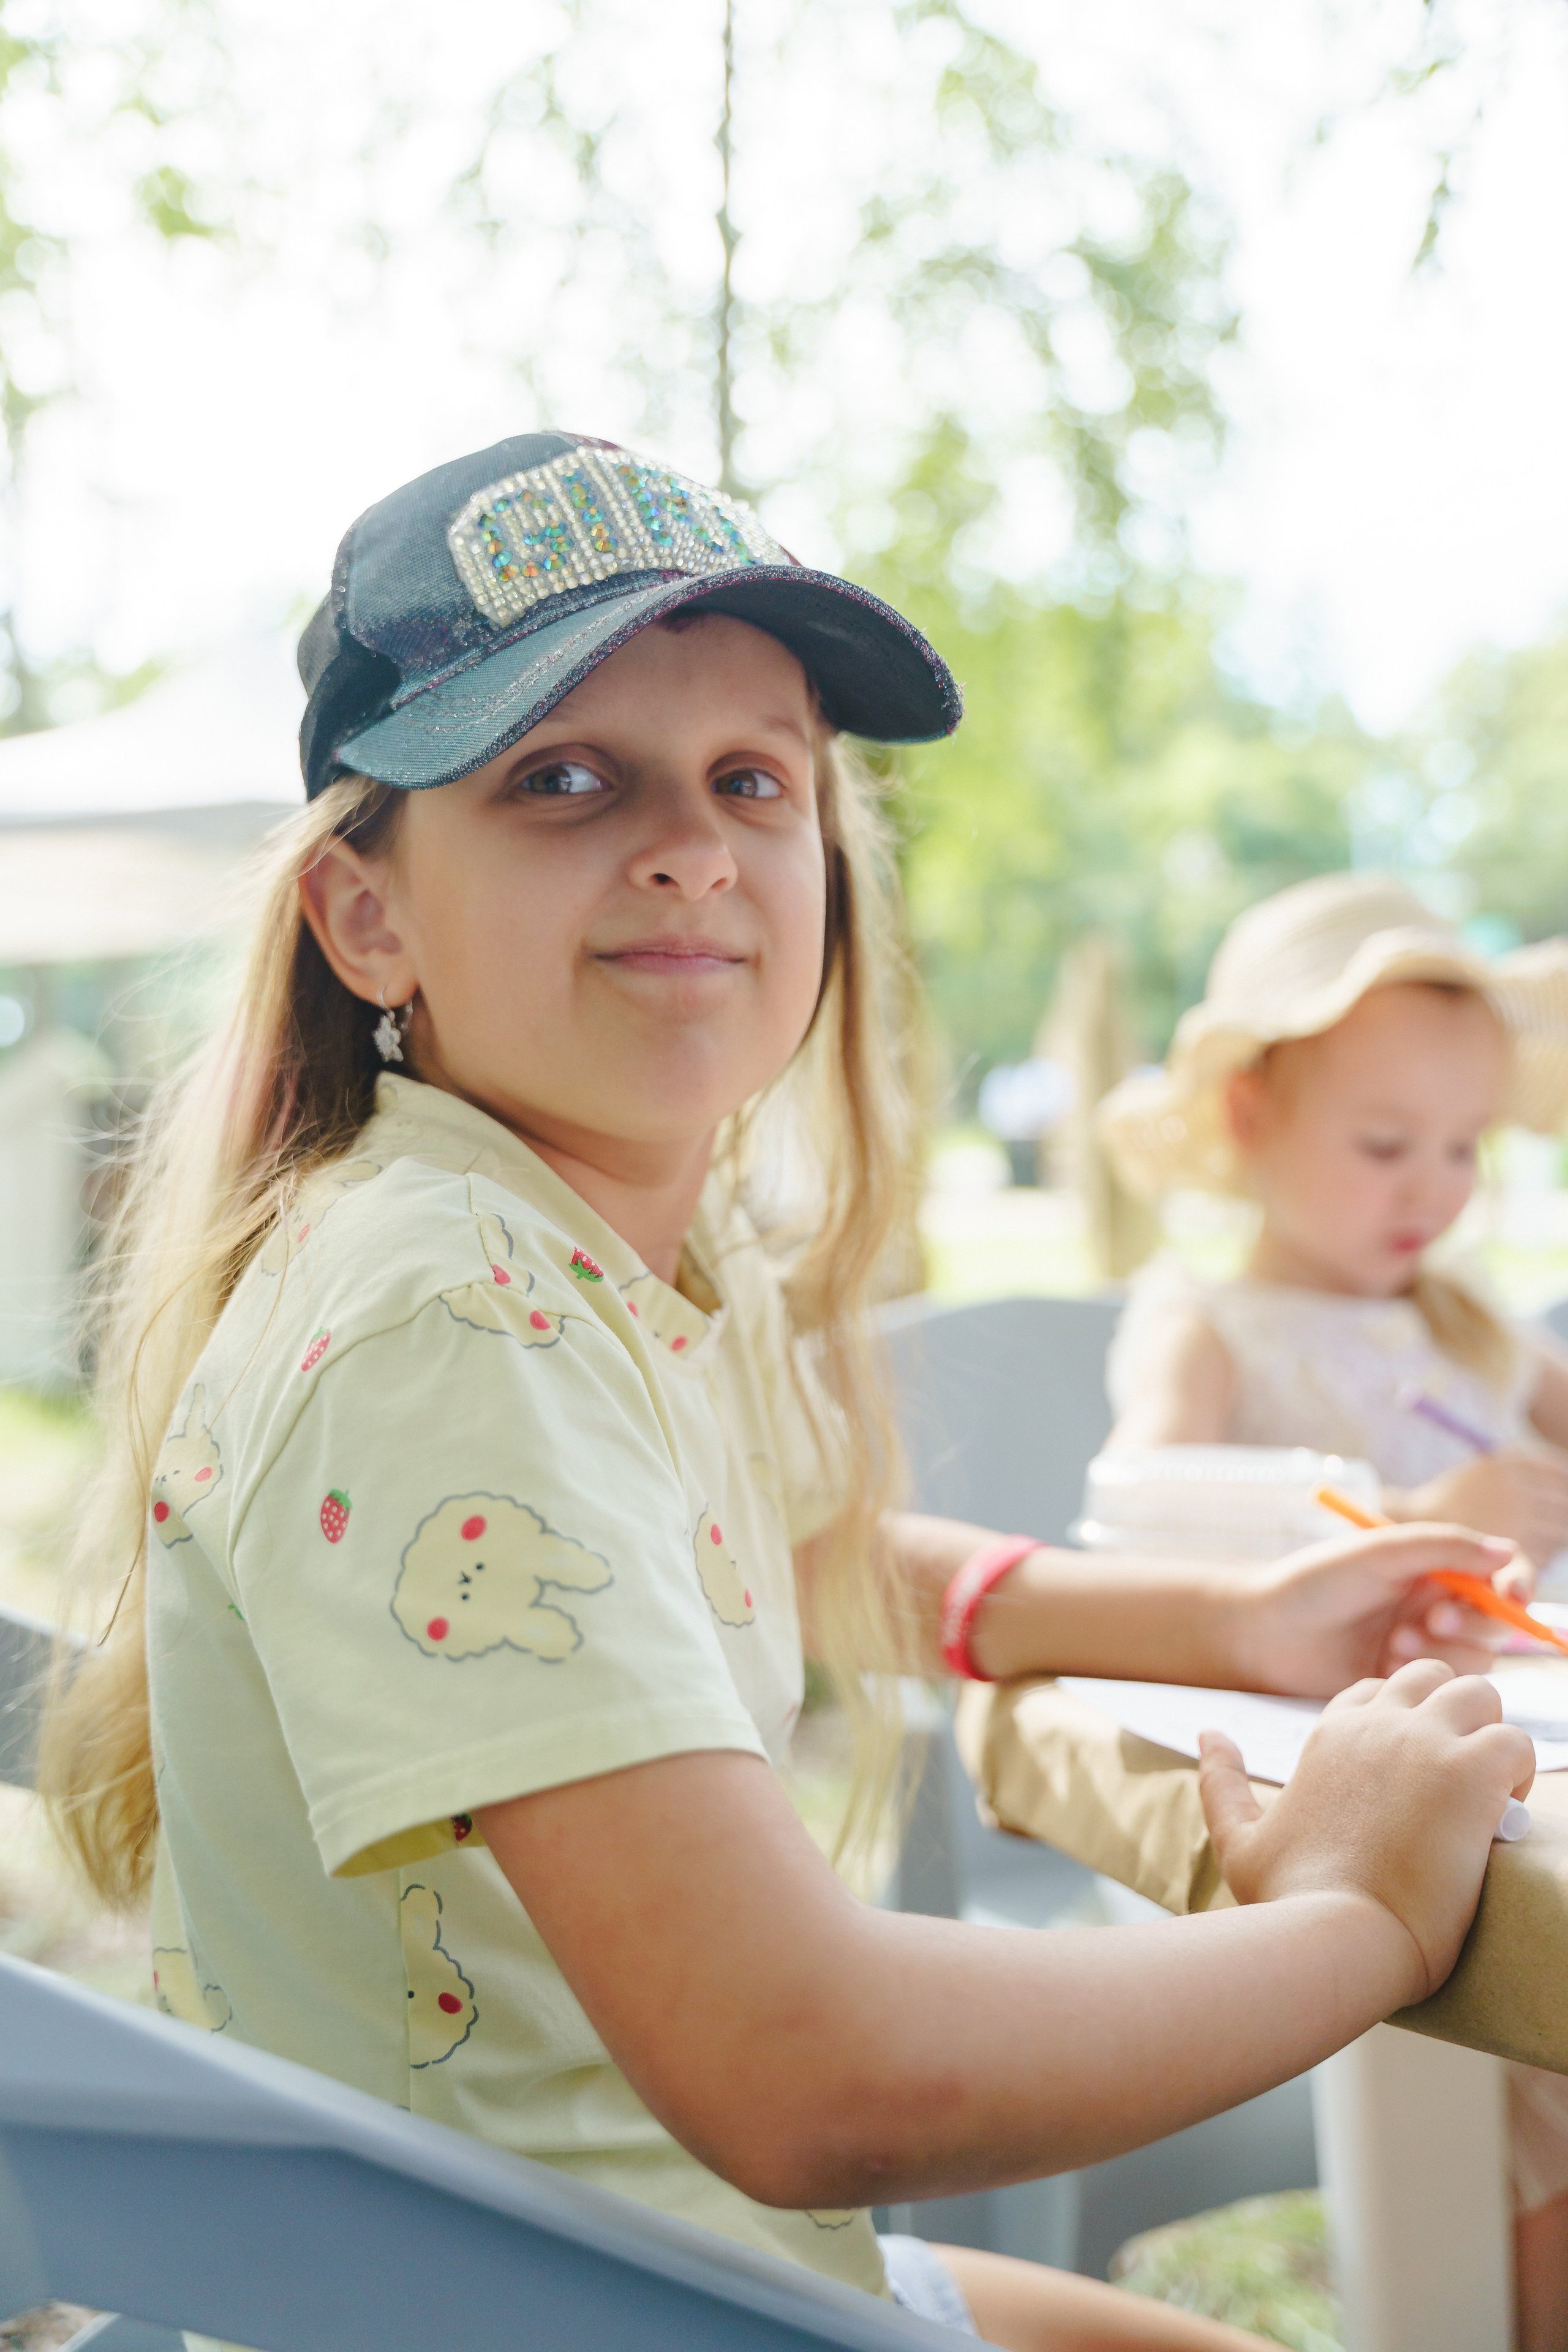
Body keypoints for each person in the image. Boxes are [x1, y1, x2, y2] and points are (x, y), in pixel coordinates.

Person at [45, 437, 1536, 2352]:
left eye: (753, 779)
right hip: (528, 2297)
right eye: (561, 777)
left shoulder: (562, 1244)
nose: (691, 845)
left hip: (599, 2253)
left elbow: (784, 1551)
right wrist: (1353, 1923)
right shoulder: (450, 1314)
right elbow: (809, 2070)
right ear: (367, 918)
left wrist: (1227, 1617)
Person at [1098, 870, 1568, 2350]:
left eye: (1459, 1148)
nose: (1427, 1188)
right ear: (1248, 1120)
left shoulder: (1472, 1324)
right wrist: (1405, 1508)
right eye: (1382, 1145)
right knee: (1525, 2075)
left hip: (1518, 1741)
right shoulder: (1207, 1319)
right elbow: (1138, 1509)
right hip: (1332, 1784)